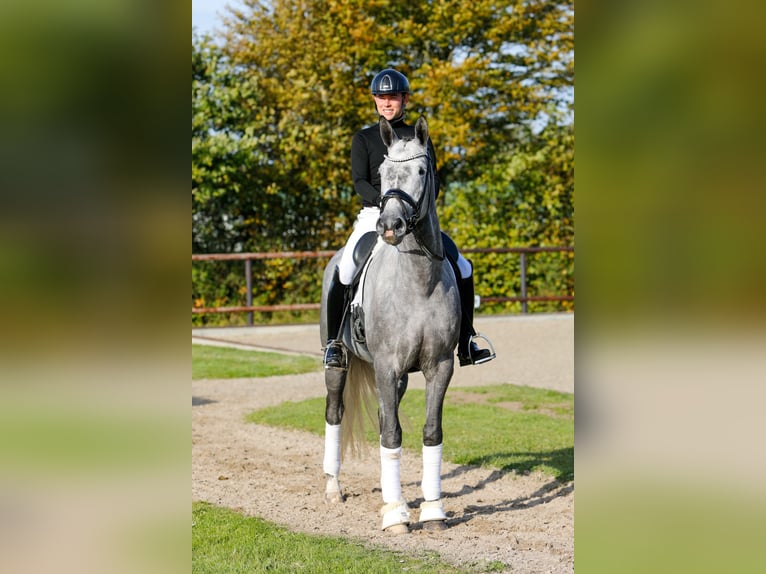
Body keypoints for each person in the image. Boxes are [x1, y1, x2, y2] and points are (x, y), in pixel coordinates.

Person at [324, 68, 495, 369]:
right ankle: (335, 344)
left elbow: (434, 180)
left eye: (392, 97)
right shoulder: (363, 138)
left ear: (404, 99)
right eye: (381, 97)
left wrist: (415, 211)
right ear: (375, 100)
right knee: (346, 267)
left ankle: (467, 340)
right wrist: (385, 203)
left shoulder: (419, 138)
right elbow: (359, 181)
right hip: (374, 215)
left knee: (463, 267)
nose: (387, 103)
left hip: (417, 218)